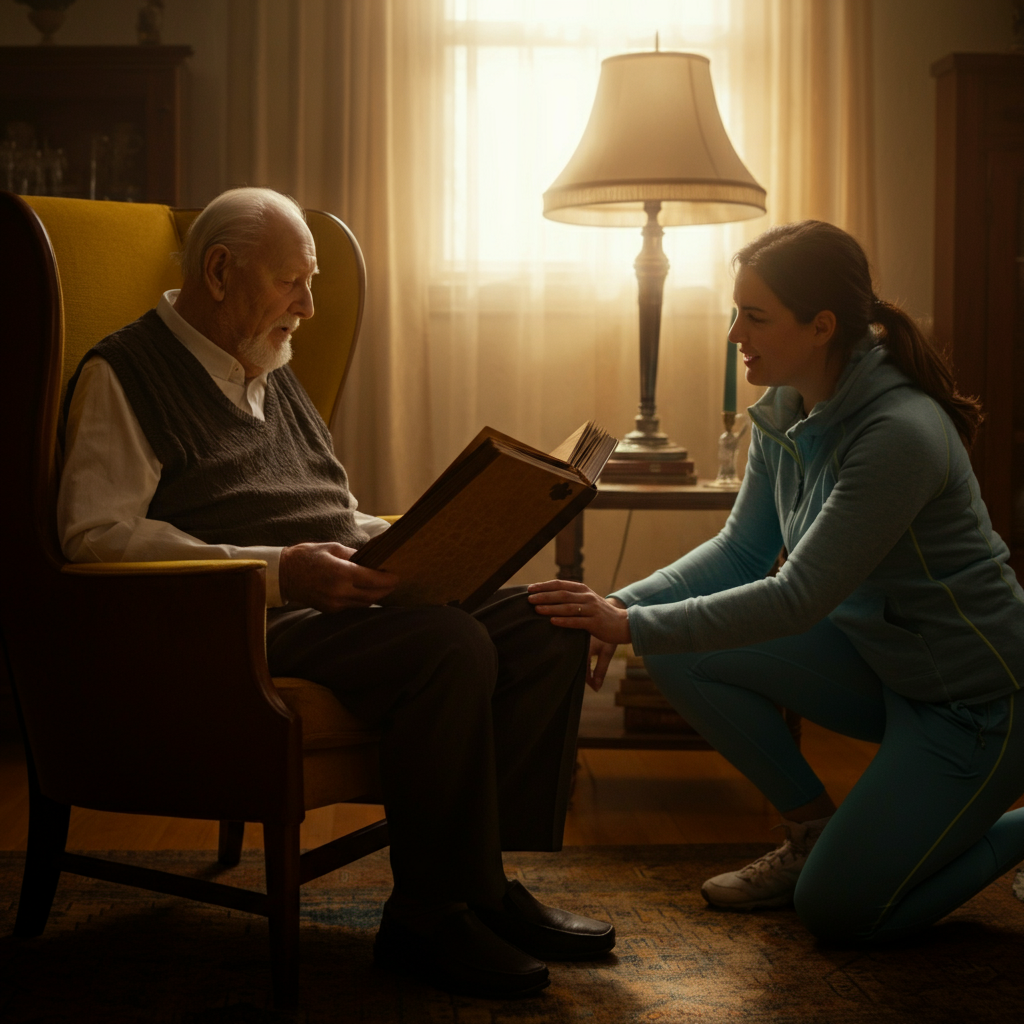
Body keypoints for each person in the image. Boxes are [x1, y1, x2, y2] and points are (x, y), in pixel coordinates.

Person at [57, 186, 614, 998]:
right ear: (219, 272)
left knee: (550, 617)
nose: (308, 307)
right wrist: (281, 570)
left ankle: (484, 886)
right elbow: (96, 537)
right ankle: (425, 917)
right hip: (240, 618)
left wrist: (432, 535)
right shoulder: (125, 373)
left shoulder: (267, 360)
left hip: (331, 591)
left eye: (310, 283)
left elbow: (329, 508)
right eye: (292, 282)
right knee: (449, 644)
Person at [529, 220, 1024, 943]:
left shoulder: (899, 433)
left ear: (821, 326)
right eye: (735, 312)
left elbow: (798, 598)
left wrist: (628, 626)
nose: (735, 334)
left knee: (838, 912)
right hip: (882, 667)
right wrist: (618, 606)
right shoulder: (787, 410)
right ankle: (813, 833)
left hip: (974, 701)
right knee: (679, 650)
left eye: (755, 317)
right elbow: (740, 551)